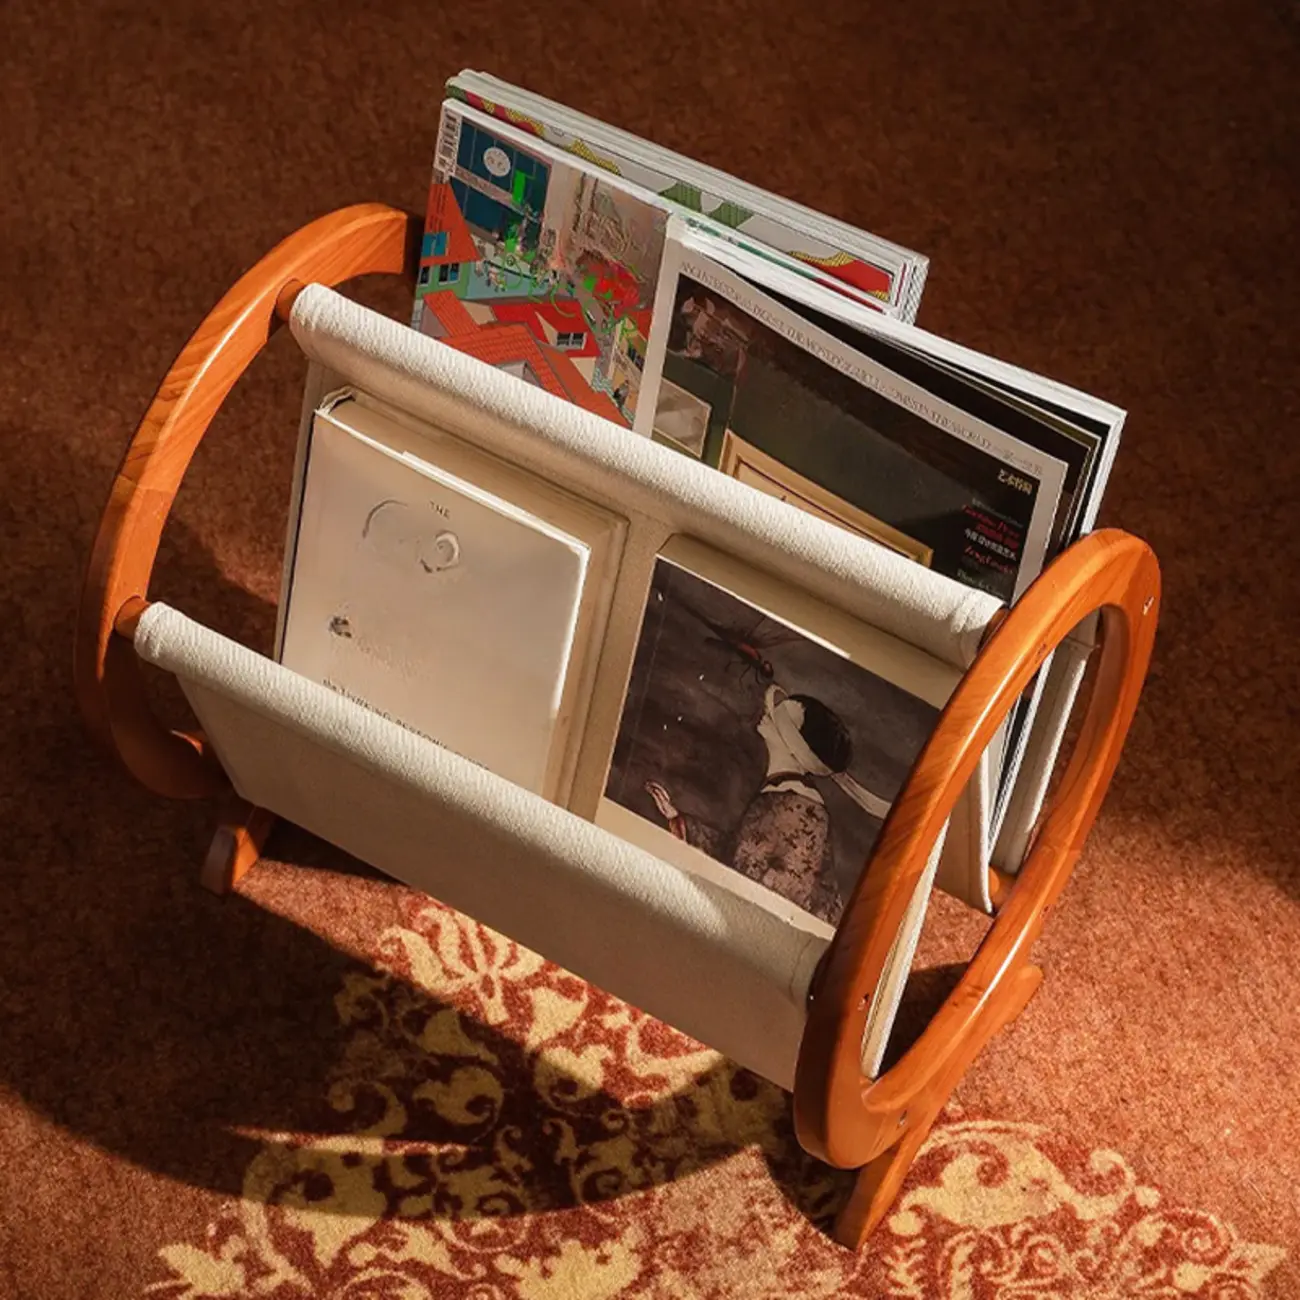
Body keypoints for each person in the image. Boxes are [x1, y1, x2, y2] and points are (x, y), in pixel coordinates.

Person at [643, 684, 887, 924]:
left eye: (778, 718)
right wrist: (678, 819)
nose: (767, 713)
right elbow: (740, 853)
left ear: (796, 749)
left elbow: (781, 894)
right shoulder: (779, 791)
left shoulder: (803, 809)